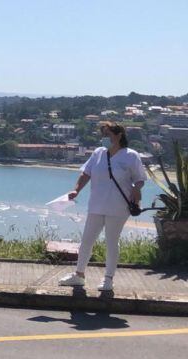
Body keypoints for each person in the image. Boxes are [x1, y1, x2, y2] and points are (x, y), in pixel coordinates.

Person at [59, 122, 145, 291]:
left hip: (118, 207)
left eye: (108, 134)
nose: (105, 138)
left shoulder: (131, 156)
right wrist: (76, 190)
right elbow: (86, 173)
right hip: (96, 205)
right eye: (103, 135)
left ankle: (108, 279)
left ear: (119, 135)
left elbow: (140, 178)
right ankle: (79, 275)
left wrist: (136, 189)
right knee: (86, 241)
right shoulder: (98, 153)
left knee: (112, 242)